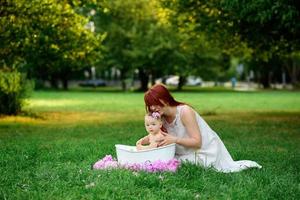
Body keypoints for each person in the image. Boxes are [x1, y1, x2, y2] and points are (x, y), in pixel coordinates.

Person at [143, 84, 262, 173]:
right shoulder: (160, 118)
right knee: (157, 162)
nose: (153, 108)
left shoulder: (184, 111)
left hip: (204, 152)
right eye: (150, 105)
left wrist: (174, 140)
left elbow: (197, 143)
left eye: (155, 103)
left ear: (165, 99)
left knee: (169, 165)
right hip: (183, 152)